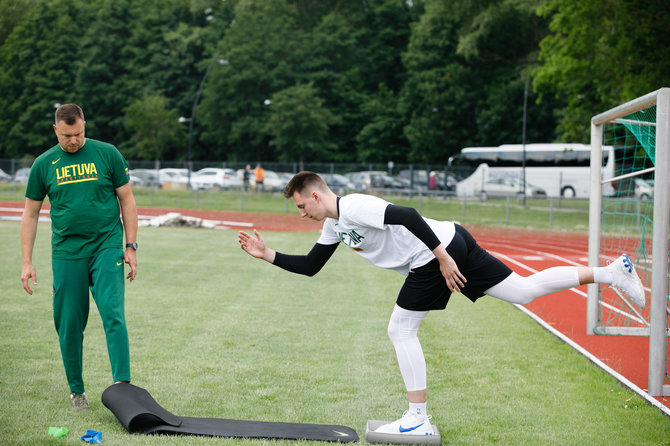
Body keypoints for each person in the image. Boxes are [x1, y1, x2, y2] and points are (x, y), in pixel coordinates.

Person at [238, 171, 645, 436]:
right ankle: (612, 272)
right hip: (451, 239)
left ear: (313, 194)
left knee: (400, 329)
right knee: (521, 290)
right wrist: (268, 254)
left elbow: (408, 214)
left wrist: (442, 257)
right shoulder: (333, 224)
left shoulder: (355, 205)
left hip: (435, 254)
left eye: (300, 206)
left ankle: (417, 418)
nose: (301, 214)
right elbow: (312, 266)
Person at [20, 104, 138, 411]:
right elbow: (30, 214)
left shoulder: (107, 154)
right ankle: (77, 392)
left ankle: (123, 387)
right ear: (55, 130)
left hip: (106, 246)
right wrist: (27, 261)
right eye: (68, 135)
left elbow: (127, 199)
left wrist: (130, 246)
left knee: (112, 312)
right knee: (69, 322)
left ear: (85, 125)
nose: (74, 140)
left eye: (79, 133)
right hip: (67, 252)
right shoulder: (44, 164)